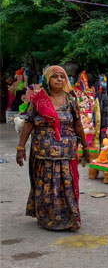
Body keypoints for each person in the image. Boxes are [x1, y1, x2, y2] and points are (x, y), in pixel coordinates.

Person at [16, 65, 90, 231]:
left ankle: (70, 218)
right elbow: (29, 122)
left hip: (66, 152)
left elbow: (77, 123)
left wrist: (86, 146)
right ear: (47, 80)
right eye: (55, 77)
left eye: (62, 77)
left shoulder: (71, 100)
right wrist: (20, 147)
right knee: (47, 185)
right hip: (43, 153)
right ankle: (47, 217)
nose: (59, 80)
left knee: (67, 185)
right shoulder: (39, 100)